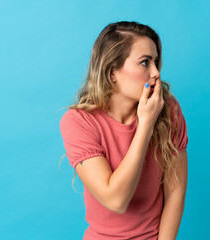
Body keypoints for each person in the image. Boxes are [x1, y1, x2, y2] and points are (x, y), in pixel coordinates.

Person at [59, 21, 188, 240]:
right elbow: (116, 201)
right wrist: (145, 124)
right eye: (145, 63)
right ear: (112, 73)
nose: (156, 72)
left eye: (156, 61)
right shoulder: (78, 122)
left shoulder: (169, 111)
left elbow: (175, 192)